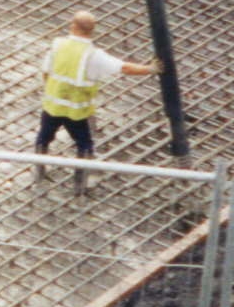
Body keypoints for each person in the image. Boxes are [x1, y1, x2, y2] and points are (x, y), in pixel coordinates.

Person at [35, 11, 162, 193]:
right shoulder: (93, 55)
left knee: (43, 138)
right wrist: (150, 69)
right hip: (76, 112)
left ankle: (39, 173)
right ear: (92, 30)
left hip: (52, 106)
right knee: (84, 144)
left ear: (72, 26)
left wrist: (52, 91)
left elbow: (45, 72)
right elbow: (124, 68)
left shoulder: (58, 45)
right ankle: (80, 185)